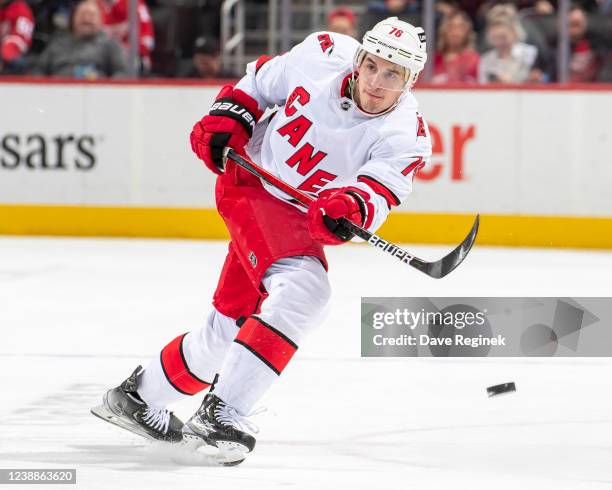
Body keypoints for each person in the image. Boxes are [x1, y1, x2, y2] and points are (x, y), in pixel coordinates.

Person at [92, 16, 432, 465]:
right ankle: (223, 413)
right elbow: (260, 84)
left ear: (410, 81)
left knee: (230, 328)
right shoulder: (321, 53)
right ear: (360, 57)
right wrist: (229, 114)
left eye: (393, 74)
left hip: (293, 213)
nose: (376, 81)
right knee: (306, 292)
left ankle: (137, 397)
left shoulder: (407, 133)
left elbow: (381, 188)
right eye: (372, 65)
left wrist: (353, 205)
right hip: (251, 182)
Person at [32, 0, 127, 79]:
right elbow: (38, 70)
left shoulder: (110, 45)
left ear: (101, 20)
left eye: (91, 15)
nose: (86, 19)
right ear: (73, 19)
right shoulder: (57, 43)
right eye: (83, 14)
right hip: (59, 93)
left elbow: (122, 73)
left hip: (97, 94)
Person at [96, 0, 155, 73]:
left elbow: (147, 41)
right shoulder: (93, 5)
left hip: (131, 59)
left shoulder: (133, 4)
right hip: (99, 60)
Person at [479, 18, 545, 83]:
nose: (499, 42)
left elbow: (539, 78)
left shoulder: (530, 53)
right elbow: (482, 84)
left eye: (503, 37)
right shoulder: (486, 59)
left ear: (514, 33)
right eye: (495, 38)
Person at [432, 11, 480, 83]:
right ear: (444, 30)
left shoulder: (473, 59)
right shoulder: (433, 59)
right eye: (451, 27)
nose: (455, 33)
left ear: (467, 32)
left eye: (460, 28)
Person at [0, 0, 34, 74]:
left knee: (17, 63)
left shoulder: (20, 8)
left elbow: (20, 40)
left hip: (13, 58)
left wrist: (6, 51)